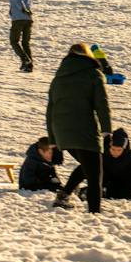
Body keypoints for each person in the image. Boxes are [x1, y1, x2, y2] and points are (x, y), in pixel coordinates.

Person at [49, 43, 113, 212]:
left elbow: (50, 110)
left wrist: (53, 141)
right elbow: (102, 105)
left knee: (88, 165)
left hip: (61, 131)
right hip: (85, 130)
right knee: (95, 175)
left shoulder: (58, 78)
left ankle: (64, 194)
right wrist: (107, 131)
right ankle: (94, 213)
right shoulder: (93, 74)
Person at [7, 0, 34, 73]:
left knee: (14, 41)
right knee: (25, 43)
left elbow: (18, 0)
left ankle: (25, 60)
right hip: (28, 19)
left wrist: (23, 9)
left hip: (18, 19)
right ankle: (29, 66)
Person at [103, 129, 131, 201]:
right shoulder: (104, 154)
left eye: (119, 150)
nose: (115, 152)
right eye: (113, 149)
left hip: (125, 185)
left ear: (124, 149)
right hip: (108, 184)